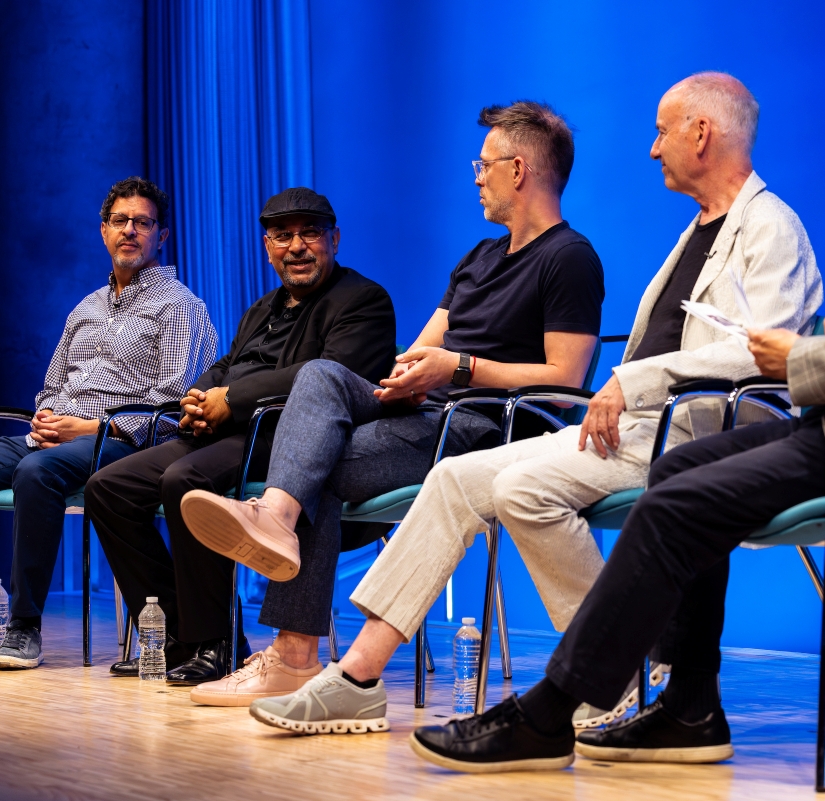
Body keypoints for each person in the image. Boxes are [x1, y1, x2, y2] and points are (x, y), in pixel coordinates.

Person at [407, 38, 825, 773]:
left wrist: (798, 360)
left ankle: (551, 711)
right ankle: (689, 709)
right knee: (681, 469)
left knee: (677, 499)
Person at [242, 72, 825, 734]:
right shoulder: (699, 230)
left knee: (521, 490)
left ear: (701, 132)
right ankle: (357, 676)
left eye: (662, 131)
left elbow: (763, 352)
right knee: (454, 479)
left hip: (690, 436)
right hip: (633, 425)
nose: (653, 148)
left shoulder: (769, 227)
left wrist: (633, 381)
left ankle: (612, 670)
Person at [179, 101, 605, 708]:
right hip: (427, 411)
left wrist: (458, 368)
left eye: (483, 165)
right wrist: (405, 378)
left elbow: (565, 379)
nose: (476, 178)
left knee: (316, 466)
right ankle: (274, 518)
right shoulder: (479, 257)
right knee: (322, 375)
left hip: (485, 427)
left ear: (518, 170)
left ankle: (293, 654)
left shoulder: (569, 257)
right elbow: (420, 351)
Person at [0, 177, 216, 669]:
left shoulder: (180, 308)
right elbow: (51, 384)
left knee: (36, 473)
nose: (130, 230)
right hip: (52, 436)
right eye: (120, 221)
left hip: (120, 444)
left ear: (162, 235)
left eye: (142, 222)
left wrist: (86, 430)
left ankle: (24, 627)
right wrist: (47, 417)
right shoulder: (86, 306)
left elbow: (172, 408)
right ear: (103, 231)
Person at [85, 187, 397, 686]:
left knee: (184, 481)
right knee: (108, 488)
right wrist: (198, 398)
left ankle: (217, 642)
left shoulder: (364, 300)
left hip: (288, 440)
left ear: (334, 240)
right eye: (282, 236)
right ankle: (175, 638)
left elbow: (331, 377)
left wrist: (230, 399)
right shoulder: (263, 307)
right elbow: (229, 363)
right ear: (268, 247)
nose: (296, 247)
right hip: (226, 433)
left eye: (310, 233)